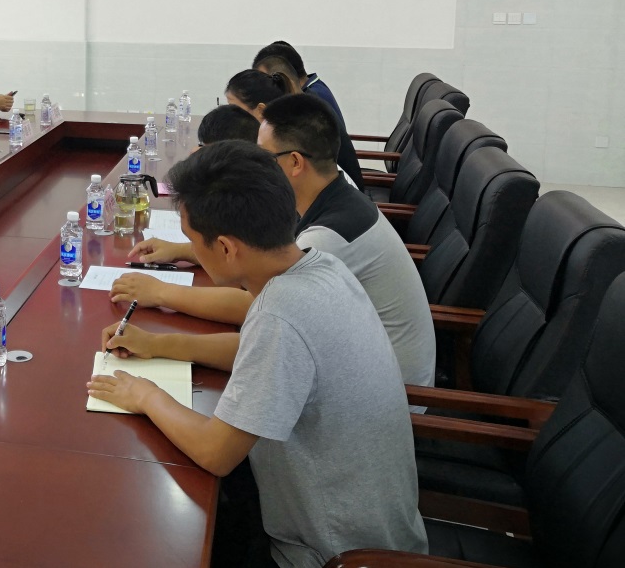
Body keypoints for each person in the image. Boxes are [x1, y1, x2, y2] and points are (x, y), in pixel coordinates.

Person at [88, 142, 427, 568]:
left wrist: (144, 395)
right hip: (376, 530)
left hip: (333, 555)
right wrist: (157, 345)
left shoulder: (281, 314)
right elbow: (259, 353)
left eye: (192, 240)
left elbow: (216, 452)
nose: (191, 248)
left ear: (226, 249)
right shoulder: (319, 265)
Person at [127, 96, 433, 386]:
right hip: (350, 372)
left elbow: (255, 308)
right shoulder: (332, 192)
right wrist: (187, 249)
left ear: (295, 162)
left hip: (391, 392)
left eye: (264, 155)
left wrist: (162, 294)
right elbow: (260, 257)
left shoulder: (326, 240)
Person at [226, 68, 365, 190]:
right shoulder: (283, 135)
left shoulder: (288, 142)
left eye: (234, 110)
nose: (228, 116)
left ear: (261, 111)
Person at [253, 40, 346, 128]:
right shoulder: (315, 88)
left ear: (284, 72)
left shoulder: (311, 101)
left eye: (267, 80)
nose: (264, 87)